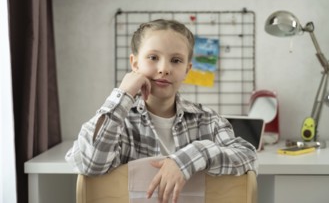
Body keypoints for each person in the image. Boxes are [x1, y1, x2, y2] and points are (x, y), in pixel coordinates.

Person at [65, 19, 258, 203]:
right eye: (153, 57)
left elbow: (248, 156)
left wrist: (191, 156)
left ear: (187, 70)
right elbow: (91, 164)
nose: (164, 68)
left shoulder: (209, 121)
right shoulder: (119, 122)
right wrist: (123, 94)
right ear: (135, 63)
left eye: (176, 60)